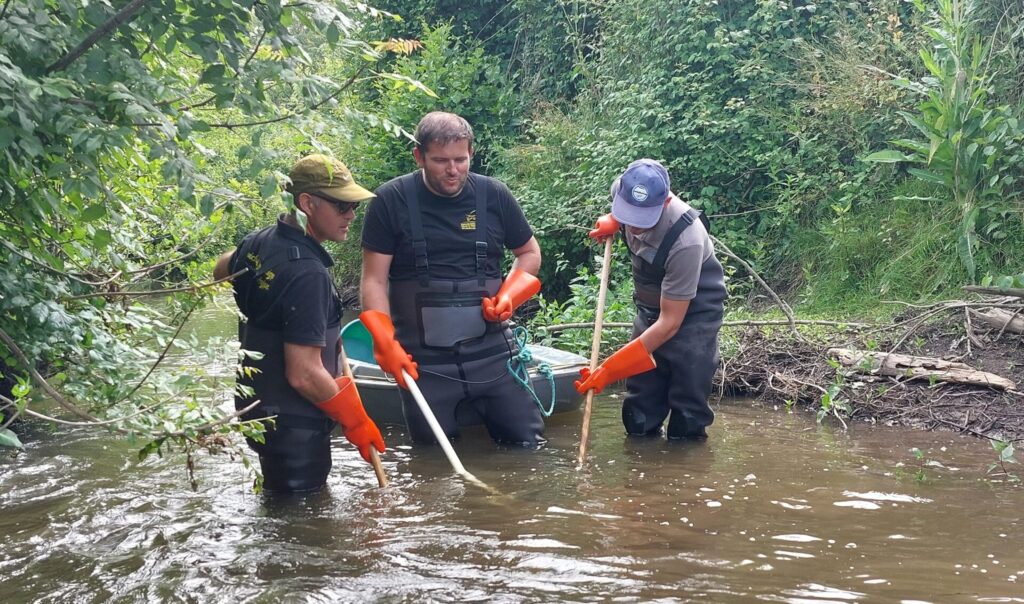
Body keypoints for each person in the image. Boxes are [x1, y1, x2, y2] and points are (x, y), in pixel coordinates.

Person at [359, 111, 545, 447]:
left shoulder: (495, 195)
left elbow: (530, 254)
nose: (453, 170)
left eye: (461, 159)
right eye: (440, 160)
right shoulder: (390, 200)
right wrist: (383, 341)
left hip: (493, 356)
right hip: (423, 365)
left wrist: (509, 296)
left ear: (471, 152)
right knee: (433, 469)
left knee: (529, 451)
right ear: (419, 156)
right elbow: (373, 280)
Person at [212, 154, 385, 493]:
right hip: (294, 424)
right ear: (307, 203)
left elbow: (221, 269)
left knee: (278, 509)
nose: (351, 215)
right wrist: (356, 420)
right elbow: (304, 374)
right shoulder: (307, 273)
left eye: (354, 207)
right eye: (341, 206)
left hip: (258, 409)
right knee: (305, 527)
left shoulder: (258, 241)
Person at [576, 159, 727, 440]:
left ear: (665, 202)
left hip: (693, 320)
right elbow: (622, 212)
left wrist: (609, 370)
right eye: (627, 216)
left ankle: (684, 473)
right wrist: (613, 221)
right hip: (650, 312)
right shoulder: (621, 191)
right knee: (639, 412)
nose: (632, 229)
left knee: (687, 417)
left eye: (642, 220)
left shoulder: (686, 240)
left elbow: (670, 323)